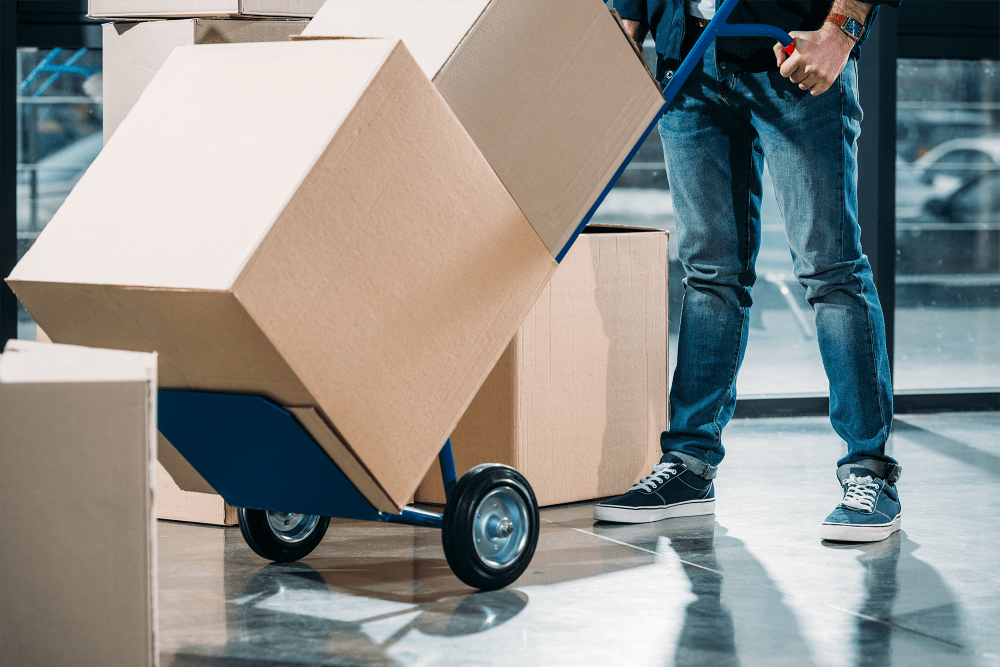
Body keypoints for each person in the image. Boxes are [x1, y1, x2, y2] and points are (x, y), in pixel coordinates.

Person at [594, 0, 903, 543]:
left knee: (830, 271)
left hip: (791, 52)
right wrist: (627, 27)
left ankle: (870, 473)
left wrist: (842, 31)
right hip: (688, 60)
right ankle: (689, 465)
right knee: (709, 274)